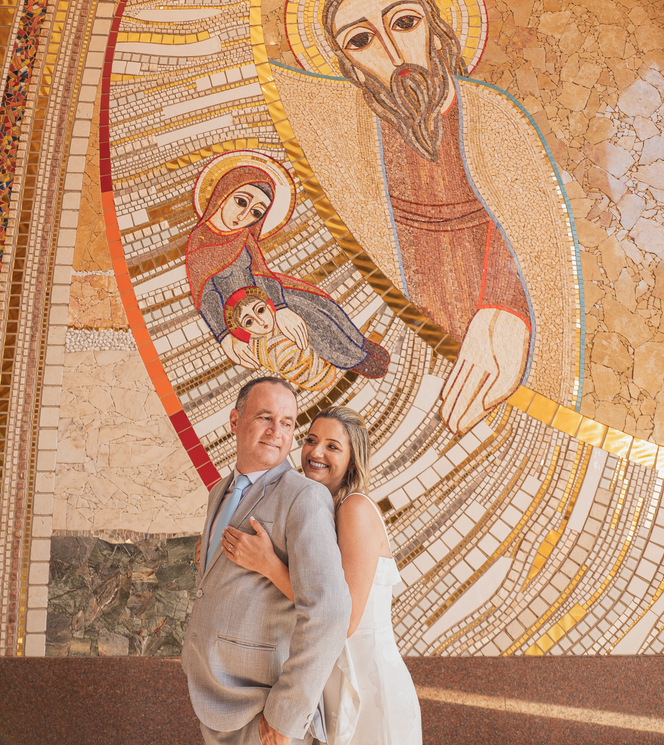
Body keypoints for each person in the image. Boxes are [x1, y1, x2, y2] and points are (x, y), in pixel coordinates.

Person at [274, 0, 579, 434]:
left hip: (500, 329)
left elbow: (536, 239)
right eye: (360, 40)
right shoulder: (349, 128)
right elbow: (273, 86)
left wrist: (507, 307)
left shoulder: (496, 119)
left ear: (436, 30)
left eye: (404, 22)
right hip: (410, 335)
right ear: (350, 66)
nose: (394, 53)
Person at [221, 406, 424, 745]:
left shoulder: (355, 510)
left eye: (333, 446)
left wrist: (268, 565)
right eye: (311, 440)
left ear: (351, 460)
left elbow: (342, 619)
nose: (316, 451)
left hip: (369, 690)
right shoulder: (317, 512)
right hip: (330, 688)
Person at [181, 376, 352, 745]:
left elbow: (329, 610)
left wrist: (284, 718)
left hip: (264, 713)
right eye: (265, 418)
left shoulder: (305, 497)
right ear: (236, 420)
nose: (278, 431)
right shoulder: (220, 492)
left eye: (288, 422)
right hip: (215, 702)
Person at [185, 154, 390, 379]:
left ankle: (359, 343)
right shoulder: (200, 242)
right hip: (243, 310)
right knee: (309, 317)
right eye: (241, 201)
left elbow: (260, 271)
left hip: (265, 291)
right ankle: (352, 358)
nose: (244, 216)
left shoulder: (243, 236)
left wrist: (280, 305)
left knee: (319, 303)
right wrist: (225, 336)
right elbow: (206, 295)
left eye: (255, 213)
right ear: (223, 194)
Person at [225, 286, 340, 392]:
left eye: (260, 310)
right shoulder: (253, 348)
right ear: (246, 330)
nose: (261, 322)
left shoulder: (290, 320)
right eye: (249, 322)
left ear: (269, 306)